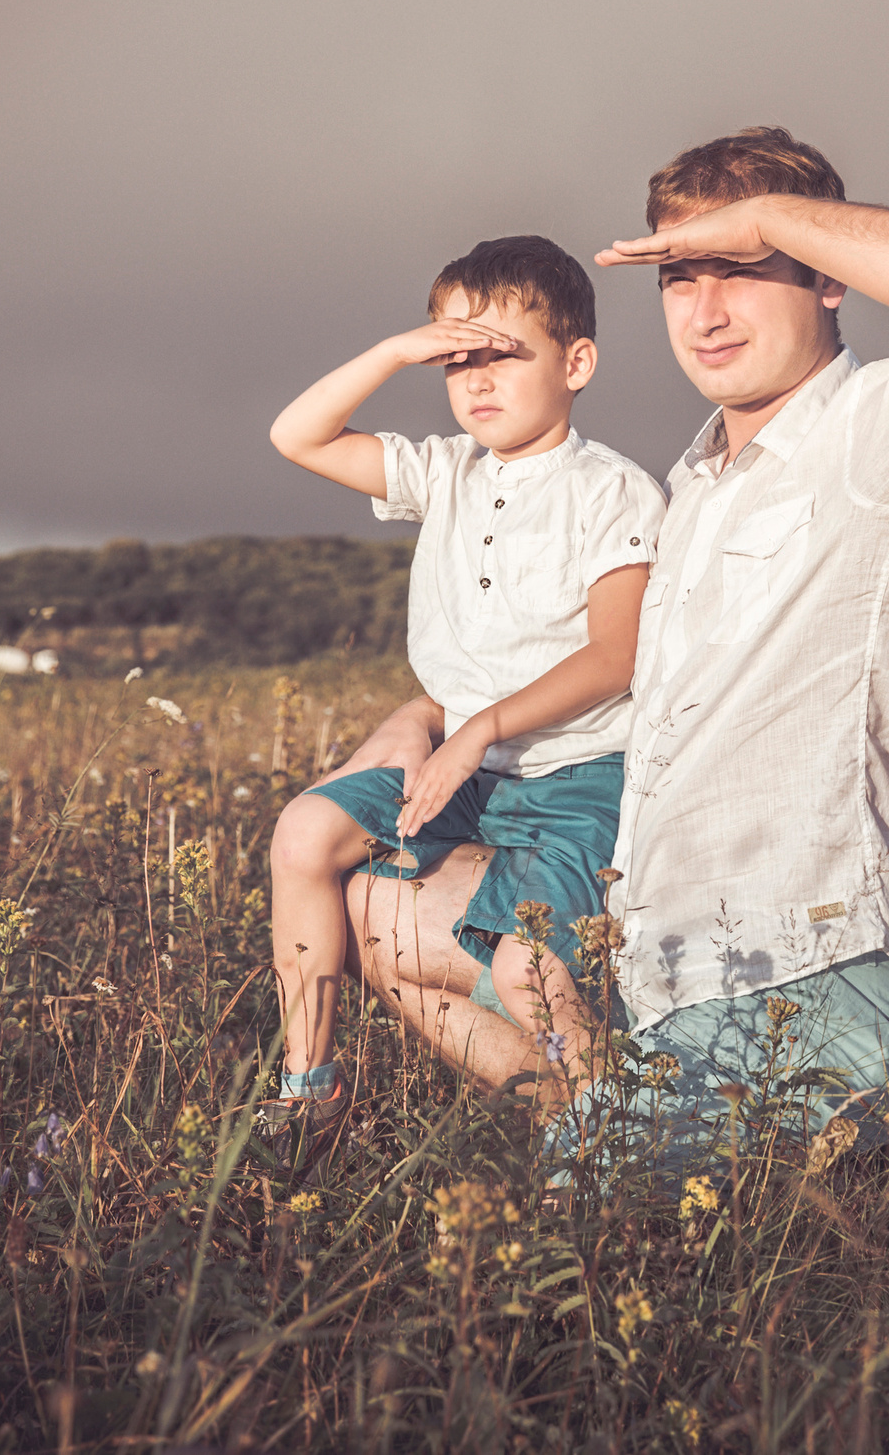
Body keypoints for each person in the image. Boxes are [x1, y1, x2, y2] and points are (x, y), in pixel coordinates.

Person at [352, 127, 889, 1170]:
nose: (705, 309)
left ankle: (589, 1145)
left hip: (809, 985)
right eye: (678, 275)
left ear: (826, 280)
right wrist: (422, 721)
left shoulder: (875, 438)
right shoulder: (690, 484)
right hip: (658, 978)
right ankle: (575, 1109)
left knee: (549, 1258)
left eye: (744, 270)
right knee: (373, 915)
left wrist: (771, 217)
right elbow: (600, 675)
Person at [261, 234, 665, 1142]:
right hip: (463, 771)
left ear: (577, 361)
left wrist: (476, 728)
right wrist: (399, 349)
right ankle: (308, 1085)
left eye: (503, 355)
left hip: (577, 775)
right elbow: (297, 435)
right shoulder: (443, 472)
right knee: (304, 834)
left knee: (528, 966)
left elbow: (617, 657)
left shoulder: (615, 492)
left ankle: (602, 1125)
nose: (476, 380)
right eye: (457, 359)